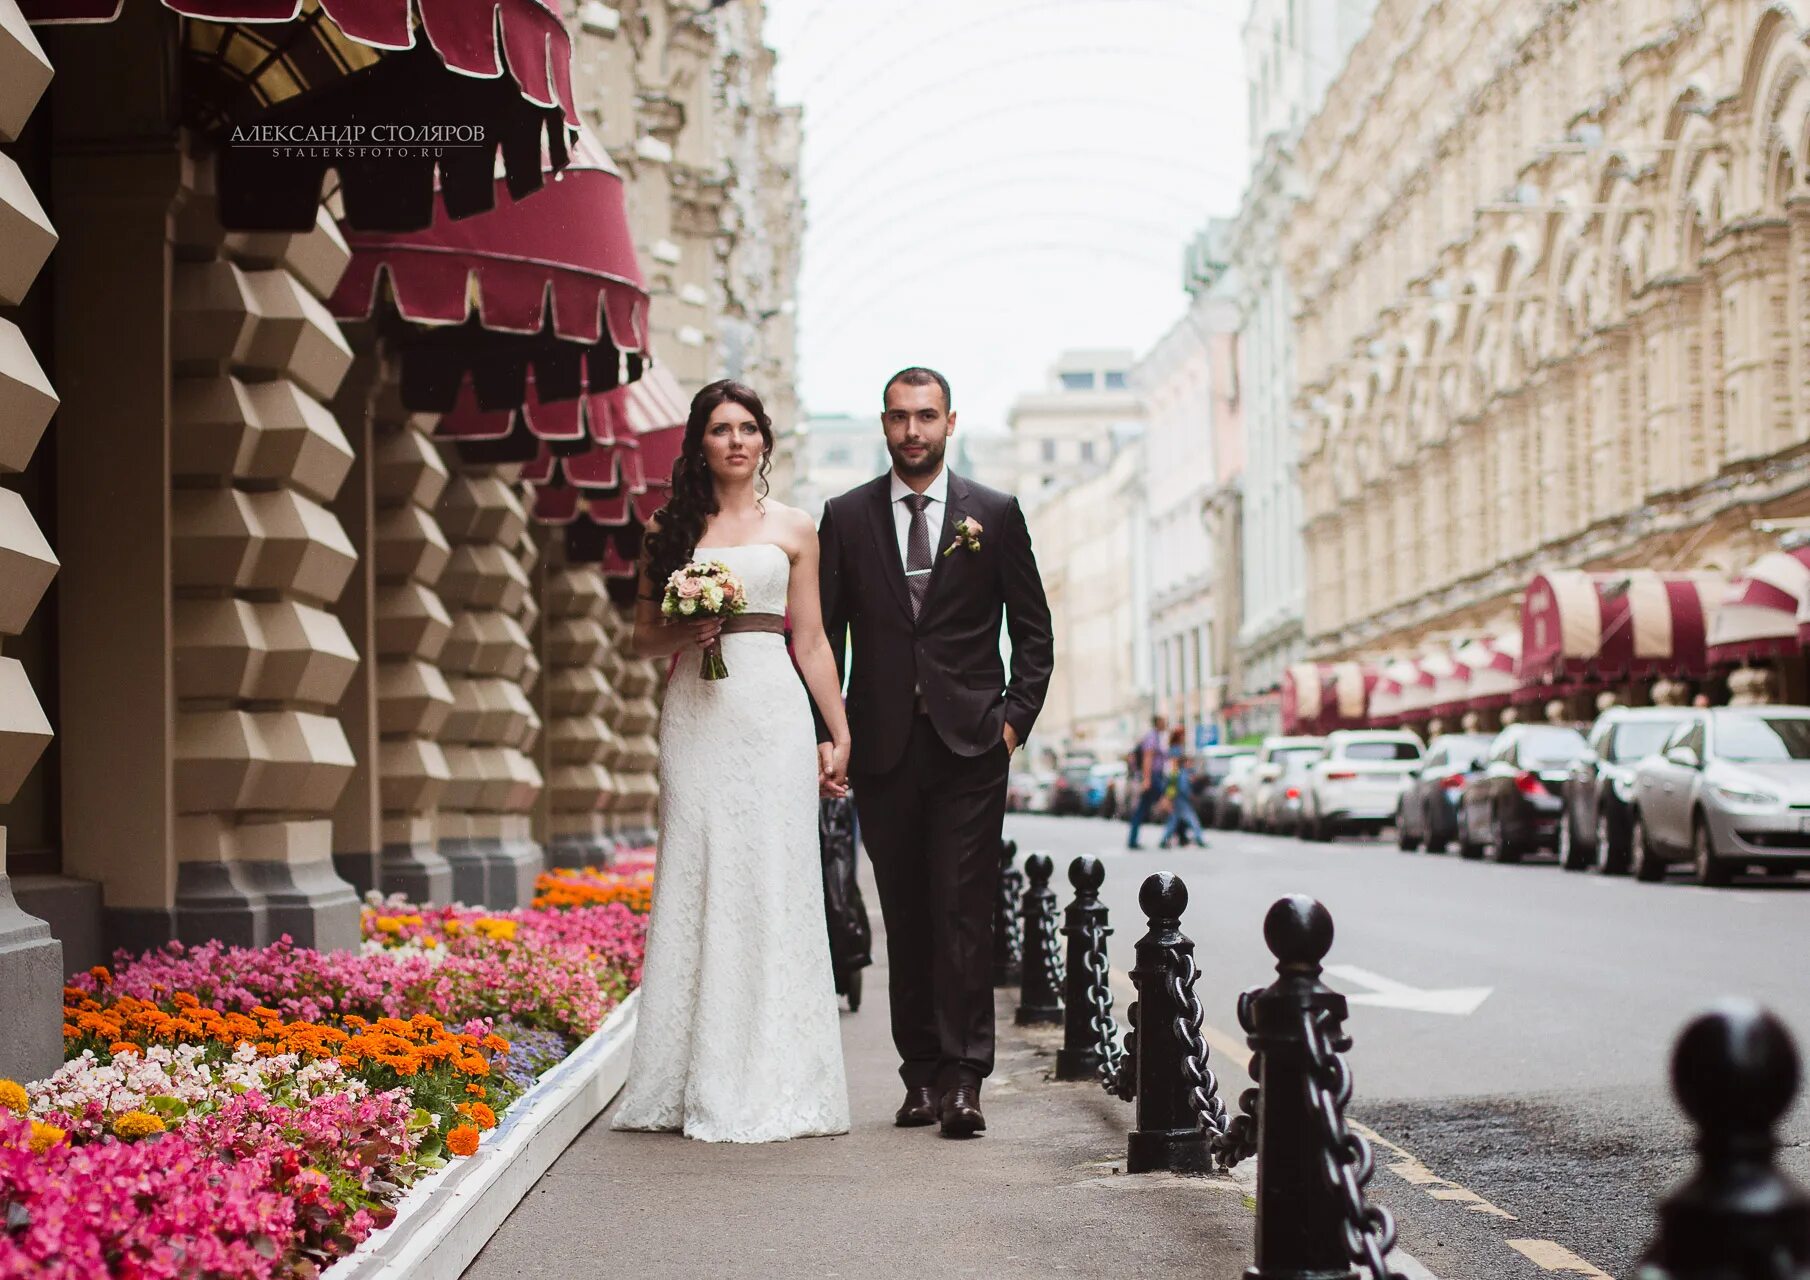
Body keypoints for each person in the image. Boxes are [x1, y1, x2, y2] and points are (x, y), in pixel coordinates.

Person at [611, 380, 854, 1144]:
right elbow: (641, 638)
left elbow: (810, 640)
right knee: (699, 870)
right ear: (701, 443)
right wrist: (689, 632)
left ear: (765, 442)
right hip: (697, 713)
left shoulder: (796, 528)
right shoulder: (668, 527)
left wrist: (838, 731)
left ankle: (778, 1075)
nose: (736, 441)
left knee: (776, 877)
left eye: (748, 428)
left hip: (774, 712)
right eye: (721, 429)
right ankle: (692, 1078)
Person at [817, 366, 1054, 1138]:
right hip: (883, 748)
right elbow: (826, 637)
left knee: (964, 913)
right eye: (898, 418)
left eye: (926, 417)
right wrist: (833, 735)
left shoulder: (995, 512)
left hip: (970, 747)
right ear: (881, 425)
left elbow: (1034, 634)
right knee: (908, 916)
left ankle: (964, 1081)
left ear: (951, 422)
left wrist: (1010, 724)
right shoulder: (845, 518)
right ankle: (918, 1076)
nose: (912, 431)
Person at [1125, 715, 1169, 849]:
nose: (1165, 724)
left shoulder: (1155, 737)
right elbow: (1147, 758)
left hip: (1154, 777)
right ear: (1158, 723)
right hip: (1153, 777)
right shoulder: (1152, 737)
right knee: (1168, 804)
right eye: (1163, 722)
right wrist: (1147, 779)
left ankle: (1133, 840)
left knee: (1142, 809)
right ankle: (1170, 837)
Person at [1158, 738, 1208, 850]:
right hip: (1181, 801)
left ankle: (1164, 840)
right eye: (1189, 762)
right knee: (1192, 820)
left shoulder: (1177, 773)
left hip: (1176, 801)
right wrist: (1189, 795)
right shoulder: (1182, 774)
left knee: (1173, 822)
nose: (1191, 764)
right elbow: (1183, 788)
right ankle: (1200, 839)